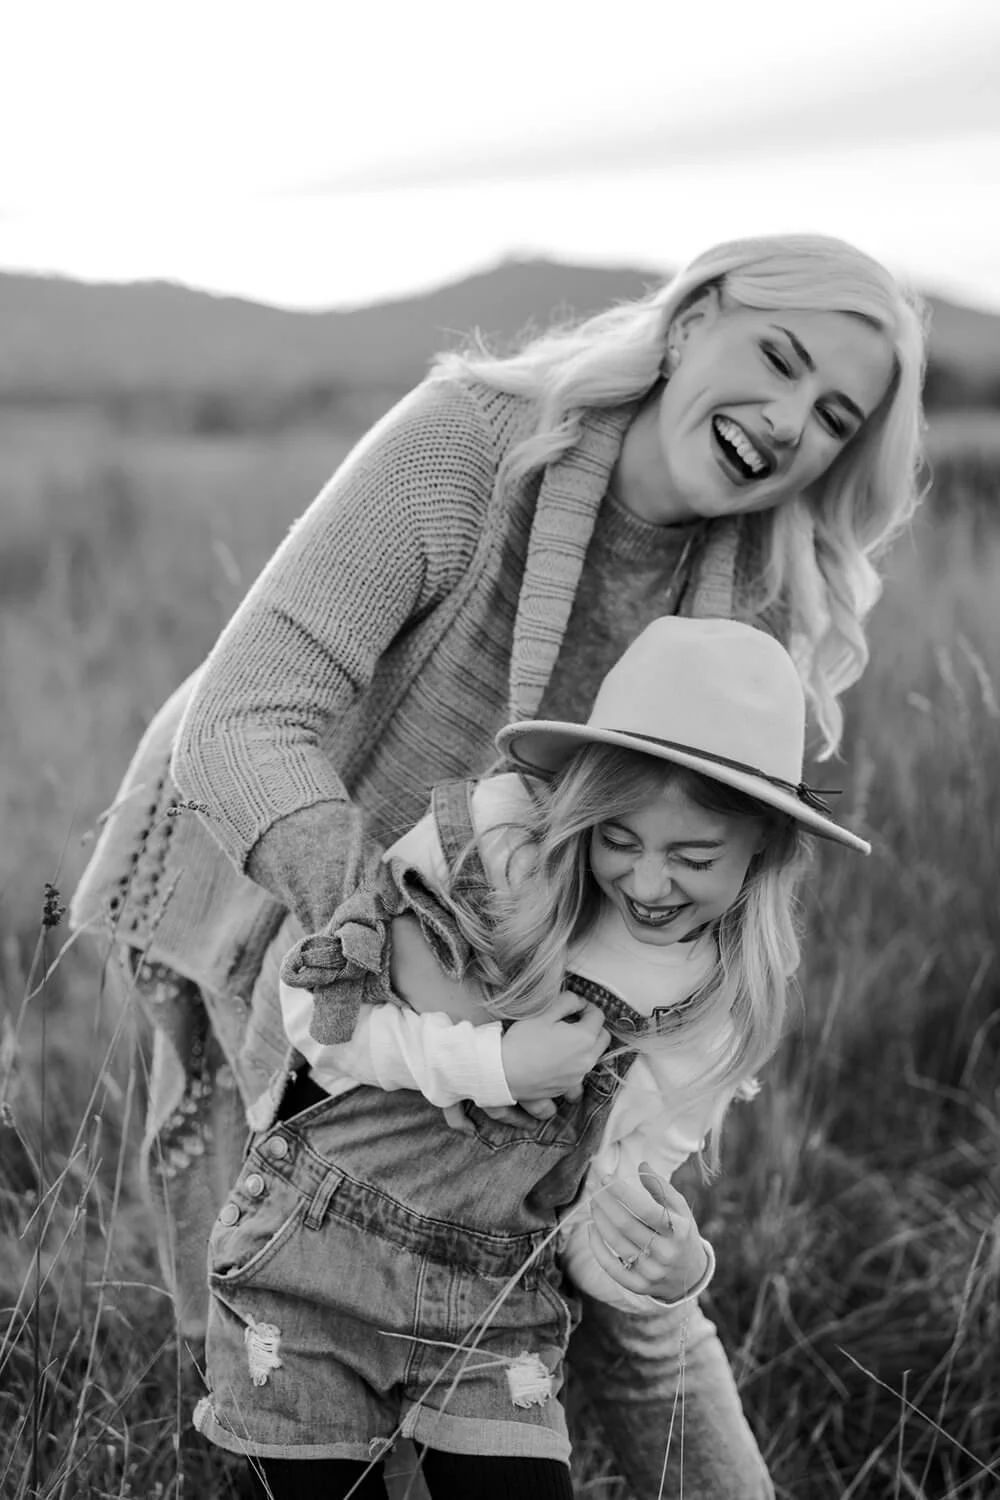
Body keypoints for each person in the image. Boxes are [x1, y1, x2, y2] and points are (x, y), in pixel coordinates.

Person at [69, 232, 926, 1500]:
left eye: (833, 413)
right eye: (779, 359)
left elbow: (683, 911)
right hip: (284, 859)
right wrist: (389, 961)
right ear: (690, 322)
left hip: (517, 939)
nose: (790, 419)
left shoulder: (749, 607)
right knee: (276, 1285)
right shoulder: (468, 446)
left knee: (606, 1276)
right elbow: (246, 715)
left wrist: (610, 1155)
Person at [193, 616, 871, 1498]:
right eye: (617, 839)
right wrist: (498, 1066)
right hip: (316, 1253)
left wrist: (668, 1271)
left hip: (493, 1306)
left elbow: (590, 1215)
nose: (649, 883)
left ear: (763, 850)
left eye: (694, 857)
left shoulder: (711, 1007)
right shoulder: (493, 846)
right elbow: (317, 1013)